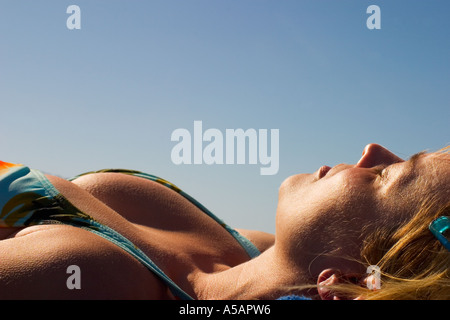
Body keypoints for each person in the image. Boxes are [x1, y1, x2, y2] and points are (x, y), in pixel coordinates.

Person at [0, 143, 448, 300]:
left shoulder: (78, 276)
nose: (371, 152)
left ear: (346, 281)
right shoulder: (248, 248)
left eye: (388, 174)